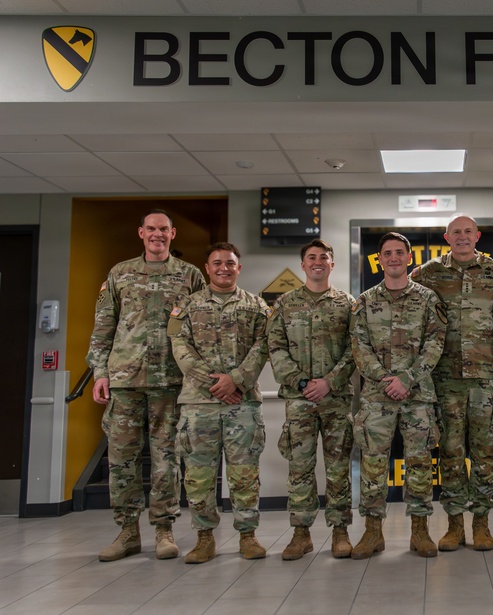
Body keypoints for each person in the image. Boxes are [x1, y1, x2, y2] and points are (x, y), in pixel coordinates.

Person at [87, 209, 205, 562]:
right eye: (151, 229)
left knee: (167, 458)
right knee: (122, 459)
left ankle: (164, 529)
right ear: (141, 233)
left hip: (170, 380)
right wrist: (99, 372)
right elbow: (104, 325)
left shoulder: (190, 276)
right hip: (125, 380)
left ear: (173, 234)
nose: (157, 234)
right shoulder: (120, 273)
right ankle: (127, 531)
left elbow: (200, 328)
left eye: (163, 230)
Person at [410, 214, 493, 551]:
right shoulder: (428, 273)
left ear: (478, 236)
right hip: (445, 378)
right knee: (451, 453)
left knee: (485, 453)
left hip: (485, 378)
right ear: (447, 237)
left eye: (468, 231)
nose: (463, 237)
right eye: (457, 232)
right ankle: (455, 524)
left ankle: (482, 522)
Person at [168, 242, 271, 563]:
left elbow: (264, 345)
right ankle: (203, 539)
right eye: (217, 263)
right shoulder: (186, 306)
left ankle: (248, 536)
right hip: (199, 405)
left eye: (230, 263)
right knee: (198, 476)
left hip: (243, 404)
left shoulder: (257, 307)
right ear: (207, 268)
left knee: (244, 474)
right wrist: (214, 382)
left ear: (239, 268)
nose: (224, 268)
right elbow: (179, 346)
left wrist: (236, 380)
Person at [351, 232, 447, 559]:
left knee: (419, 462)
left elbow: (435, 344)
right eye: (387, 253)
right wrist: (384, 379)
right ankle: (372, 532)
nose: (393, 258)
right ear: (380, 259)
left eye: (399, 253)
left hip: (417, 394)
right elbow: (359, 348)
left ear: (409, 258)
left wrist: (406, 378)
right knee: (373, 463)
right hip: (376, 398)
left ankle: (420, 531)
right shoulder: (363, 302)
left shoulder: (427, 299)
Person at [267, 239, 356, 560]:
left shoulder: (347, 304)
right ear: (303, 265)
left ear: (332, 264)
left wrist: (329, 382)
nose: (317, 262)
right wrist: (303, 382)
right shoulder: (285, 304)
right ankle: (300, 534)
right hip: (299, 400)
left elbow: (354, 350)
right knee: (300, 469)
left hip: (336, 400)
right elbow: (275, 348)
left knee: (338, 469)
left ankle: (340, 531)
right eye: (311, 257)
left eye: (324, 257)